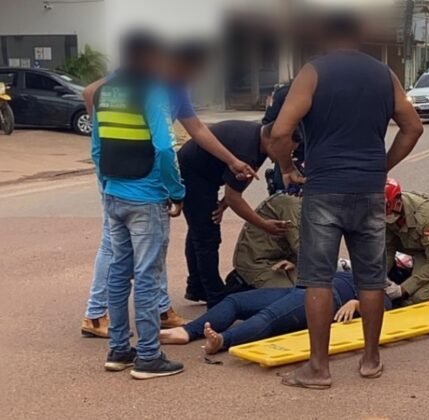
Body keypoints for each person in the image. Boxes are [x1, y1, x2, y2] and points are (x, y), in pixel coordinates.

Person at [268, 13, 423, 389]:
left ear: (325, 36)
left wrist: (287, 167)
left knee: (318, 279)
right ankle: (371, 360)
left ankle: (318, 368)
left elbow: (280, 131)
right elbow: (413, 127)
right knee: (370, 277)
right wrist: (381, 165)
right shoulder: (384, 75)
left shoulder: (313, 72)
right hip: (369, 190)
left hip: (324, 188)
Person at [80, 40, 256, 337]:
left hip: (143, 174)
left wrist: (232, 160)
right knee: (123, 249)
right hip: (131, 175)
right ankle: (99, 316)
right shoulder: (143, 81)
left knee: (145, 253)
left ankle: (149, 320)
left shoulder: (177, 87)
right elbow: (91, 94)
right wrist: (175, 190)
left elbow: (197, 129)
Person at [92, 30, 185, 379]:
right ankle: (148, 355)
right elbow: (164, 148)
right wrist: (176, 192)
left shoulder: (105, 91)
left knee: (119, 272)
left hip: (114, 192)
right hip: (147, 198)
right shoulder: (153, 91)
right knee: (148, 276)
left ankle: (118, 350)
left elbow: (97, 148)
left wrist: (106, 186)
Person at [178, 121, 289, 308]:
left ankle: (197, 286)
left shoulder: (259, 141)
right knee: (207, 236)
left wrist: (223, 205)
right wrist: (264, 225)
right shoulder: (247, 150)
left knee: (200, 227)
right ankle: (215, 296)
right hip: (193, 172)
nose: (286, 158)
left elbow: (240, 183)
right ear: (273, 142)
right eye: (286, 151)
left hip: (206, 172)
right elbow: (235, 197)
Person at [160, 272, 391, 354]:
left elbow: (383, 308)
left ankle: (221, 341)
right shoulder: (355, 269)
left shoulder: (380, 291)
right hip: (304, 287)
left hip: (326, 299)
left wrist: (357, 303)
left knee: (269, 317)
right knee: (235, 301)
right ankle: (187, 332)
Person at [228, 192, 301, 291]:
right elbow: (301, 247)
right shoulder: (291, 202)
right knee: (298, 297)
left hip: (284, 260)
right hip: (260, 264)